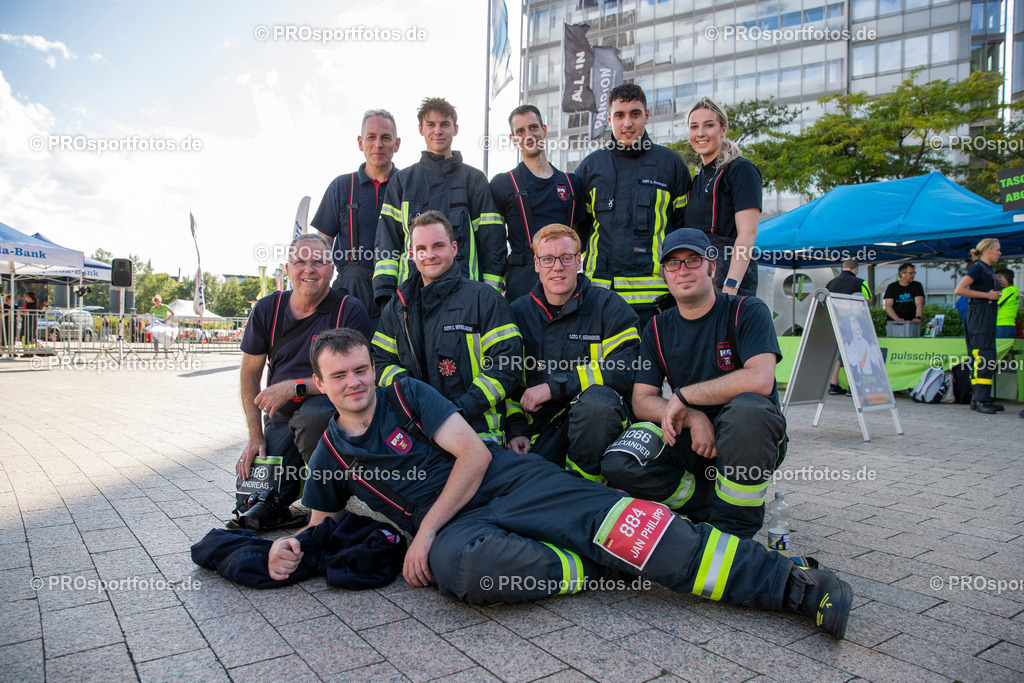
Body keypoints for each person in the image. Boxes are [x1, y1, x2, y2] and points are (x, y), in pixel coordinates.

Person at [265, 327, 853, 640]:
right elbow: (322, 525)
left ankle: (793, 585)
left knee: (632, 533)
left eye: (361, 369)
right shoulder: (331, 453)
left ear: (372, 367)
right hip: (462, 529)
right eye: (338, 376)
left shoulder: (405, 394)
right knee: (461, 573)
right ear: (319, 382)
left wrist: (424, 532)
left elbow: (470, 457)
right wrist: (291, 547)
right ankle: (595, 566)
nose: (354, 382)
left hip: (506, 480)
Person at [606, 229, 786, 540]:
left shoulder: (746, 310)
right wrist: (692, 416)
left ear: (712, 268)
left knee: (748, 412)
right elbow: (642, 399)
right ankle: (703, 504)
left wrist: (685, 395)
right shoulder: (657, 328)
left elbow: (760, 378)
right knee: (620, 460)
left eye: (693, 261)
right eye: (673, 265)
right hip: (691, 436)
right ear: (664, 274)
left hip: (747, 437)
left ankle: (735, 534)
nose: (683, 271)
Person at [236, 234, 372, 528]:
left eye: (318, 262)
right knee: (255, 503)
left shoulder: (348, 310)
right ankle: (294, 491)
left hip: (329, 410)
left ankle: (330, 496)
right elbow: (249, 373)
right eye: (300, 262)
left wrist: (294, 387)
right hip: (280, 417)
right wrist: (255, 437)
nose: (309, 269)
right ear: (287, 269)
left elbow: (352, 378)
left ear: (332, 269)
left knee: (312, 417)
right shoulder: (266, 310)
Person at [371, 211, 522, 444]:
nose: (429, 255)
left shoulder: (485, 299)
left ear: (454, 248)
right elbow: (379, 362)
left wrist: (458, 410)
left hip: (477, 432)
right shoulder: (398, 306)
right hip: (416, 433)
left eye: (438, 246)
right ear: (411, 254)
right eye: (421, 248)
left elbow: (507, 366)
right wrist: (413, 397)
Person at [506, 224, 638, 479]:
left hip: (596, 429)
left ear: (579, 260)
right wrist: (516, 430)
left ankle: (586, 485)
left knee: (597, 404)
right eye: (548, 259)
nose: (557, 267)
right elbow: (507, 379)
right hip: (538, 431)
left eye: (566, 258)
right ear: (536, 264)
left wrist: (556, 387)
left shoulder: (608, 306)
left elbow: (625, 367)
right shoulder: (517, 312)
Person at [575, 84, 692, 330]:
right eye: (619, 115)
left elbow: (684, 230)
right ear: (609, 119)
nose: (627, 123)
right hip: (600, 301)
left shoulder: (670, 164)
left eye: (635, 114)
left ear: (646, 116)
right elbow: (580, 232)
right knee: (605, 368)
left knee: (657, 368)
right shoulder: (590, 168)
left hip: (658, 304)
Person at [373, 97, 504, 308]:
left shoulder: (474, 179)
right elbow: (387, 240)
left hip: (466, 295)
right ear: (420, 129)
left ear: (456, 129)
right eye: (431, 125)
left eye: (445, 124)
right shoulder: (403, 181)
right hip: (411, 296)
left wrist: (490, 292)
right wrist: (386, 292)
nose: (438, 131)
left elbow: (492, 241)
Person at [313, 109, 401, 330]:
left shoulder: (409, 185)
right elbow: (321, 246)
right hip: (350, 289)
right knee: (347, 359)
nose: (378, 144)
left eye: (385, 138)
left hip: (398, 289)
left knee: (394, 360)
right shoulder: (341, 187)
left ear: (397, 144)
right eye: (371, 137)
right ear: (361, 143)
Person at [490, 105, 585, 301]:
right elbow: (494, 245)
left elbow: (578, 237)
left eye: (533, 127)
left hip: (565, 281)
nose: (528, 135)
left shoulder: (572, 183)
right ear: (513, 139)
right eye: (520, 131)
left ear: (544, 130)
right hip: (522, 286)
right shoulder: (502, 184)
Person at [683, 97, 762, 297]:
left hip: (728, 281)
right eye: (694, 127)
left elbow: (747, 234)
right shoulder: (696, 179)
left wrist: (731, 286)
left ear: (723, 129)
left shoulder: (741, 169)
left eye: (709, 125)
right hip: (699, 277)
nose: (700, 133)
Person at [954, 238, 1003, 414]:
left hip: (986, 315)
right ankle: (981, 400)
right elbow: (959, 290)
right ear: (988, 250)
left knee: (985, 355)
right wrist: (987, 295)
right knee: (983, 356)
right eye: (997, 249)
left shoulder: (987, 270)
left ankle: (979, 399)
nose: (1000, 253)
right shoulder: (977, 268)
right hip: (979, 316)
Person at [825, 259, 871, 394]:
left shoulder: (830, 283)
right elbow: (866, 301)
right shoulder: (860, 282)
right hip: (853, 322)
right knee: (855, 351)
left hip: (835, 322)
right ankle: (853, 386)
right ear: (856, 269)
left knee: (837, 354)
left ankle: (833, 384)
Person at [995, 269, 1018, 339]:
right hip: (1006, 325)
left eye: (998, 277)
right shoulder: (1014, 289)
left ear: (1003, 278)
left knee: (998, 349)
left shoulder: (1008, 291)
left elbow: (994, 305)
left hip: (1002, 325)